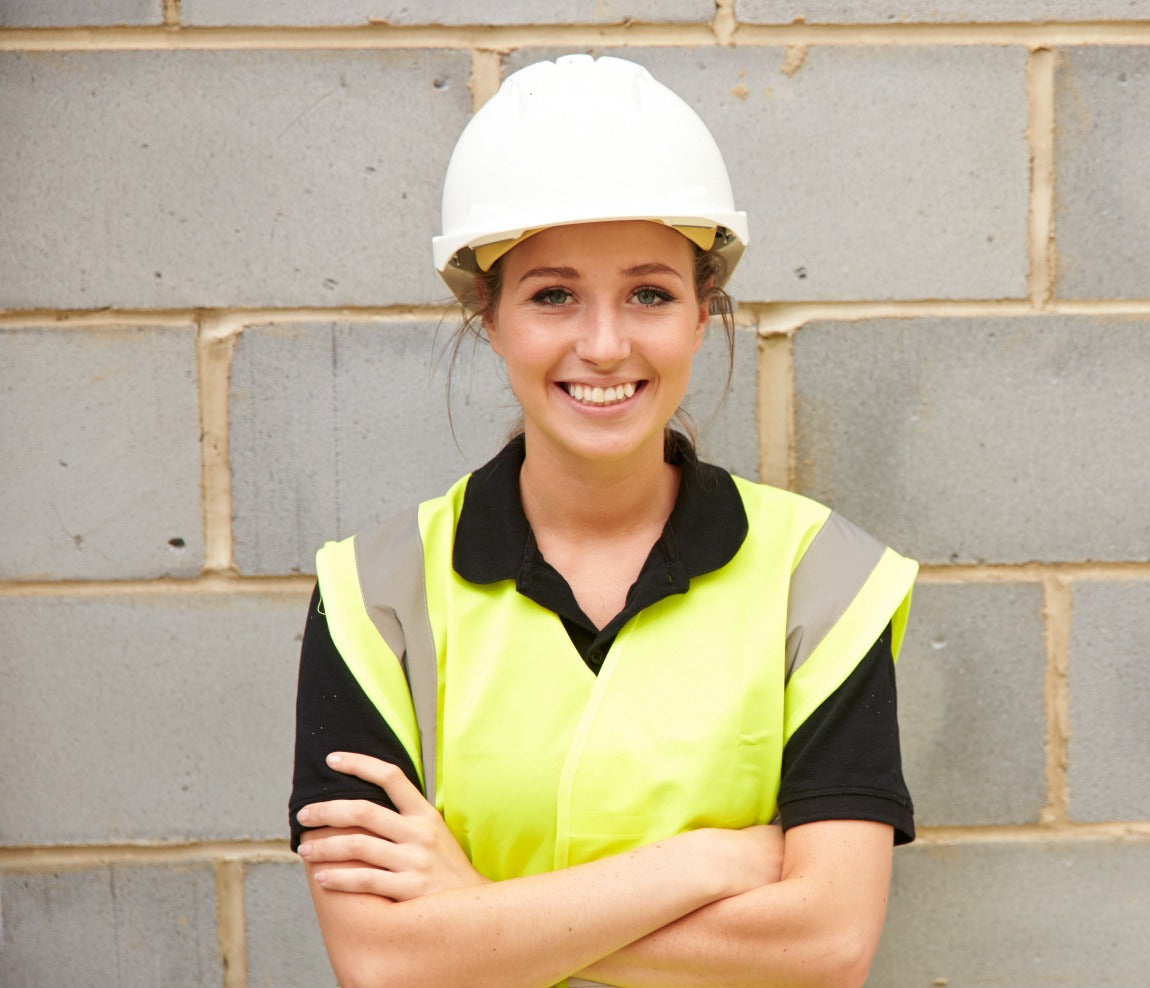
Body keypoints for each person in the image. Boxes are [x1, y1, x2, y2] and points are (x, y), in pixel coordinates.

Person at [287, 54, 918, 988]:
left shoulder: (824, 580)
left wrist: (474, 919)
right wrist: (699, 864)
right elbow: (382, 962)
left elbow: (825, 945)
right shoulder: (372, 596)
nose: (605, 344)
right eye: (552, 295)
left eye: (650, 293)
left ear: (703, 315)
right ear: (488, 319)